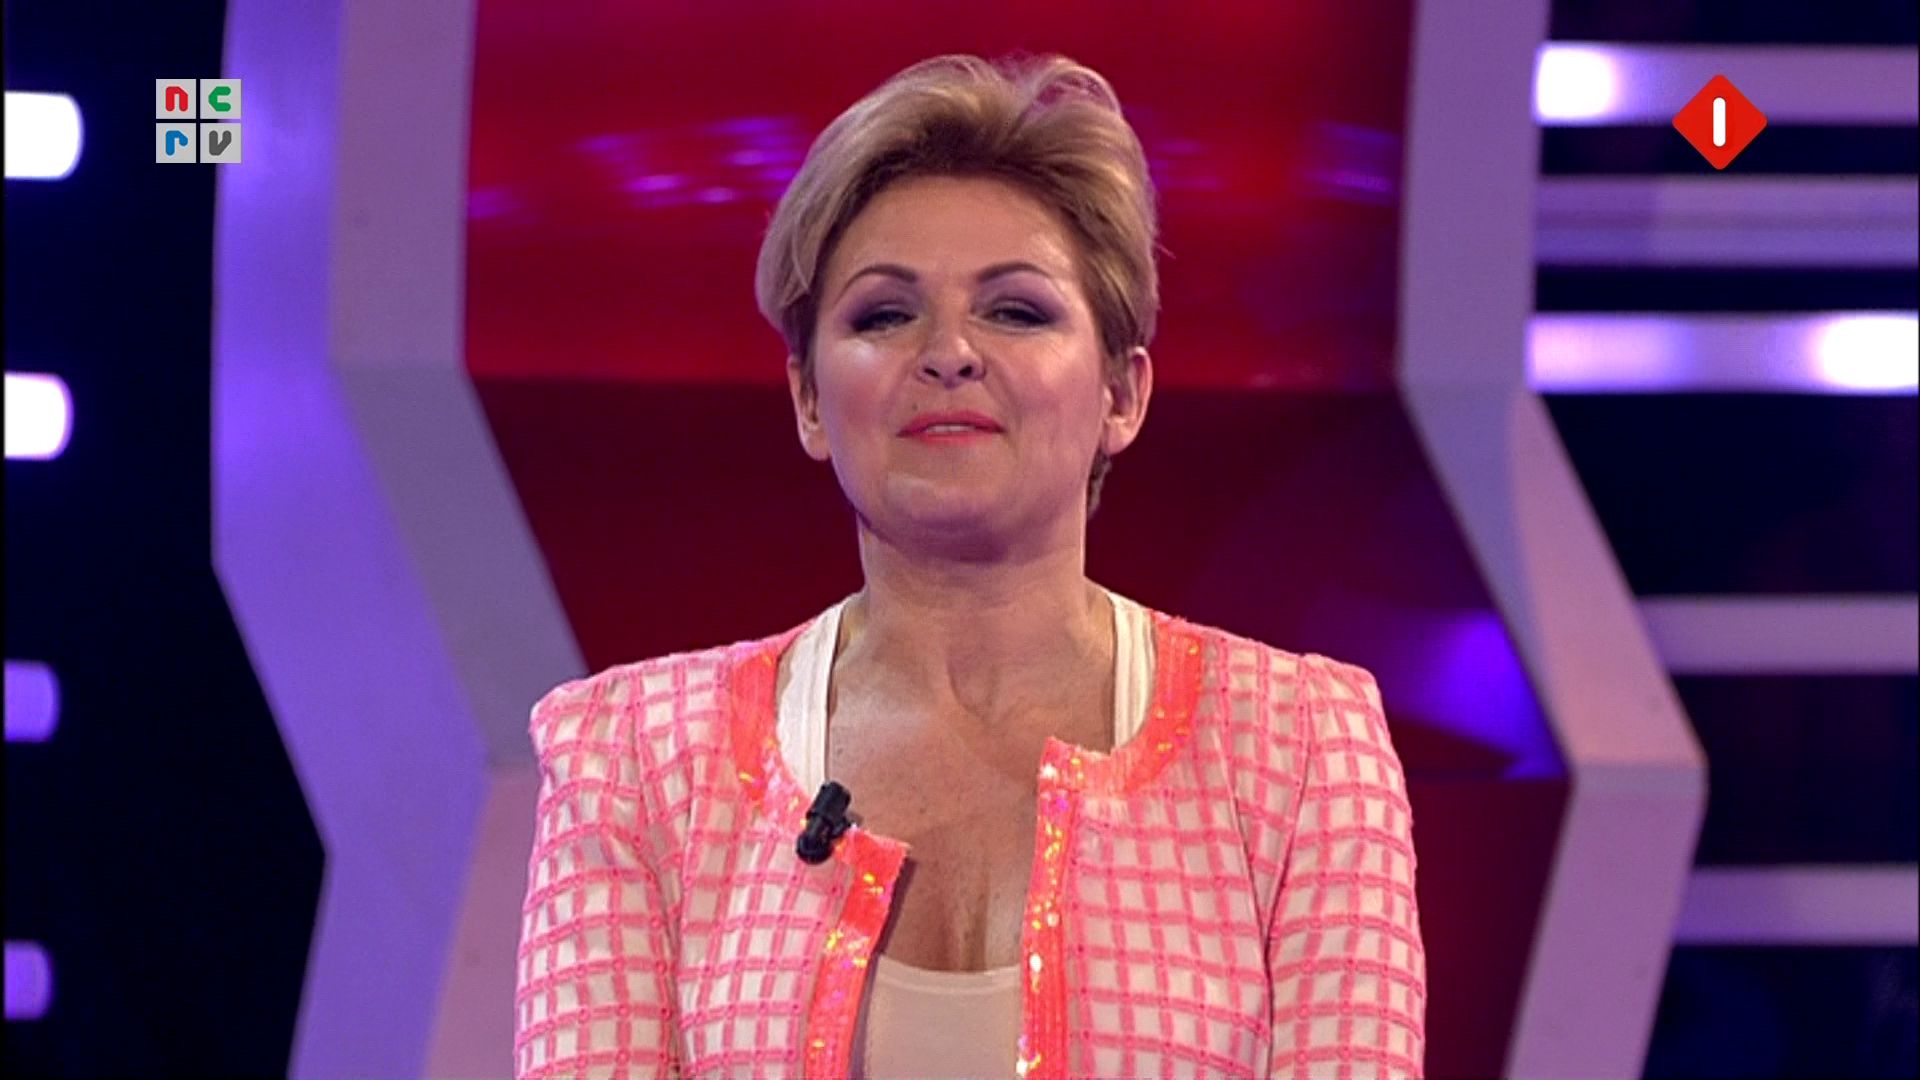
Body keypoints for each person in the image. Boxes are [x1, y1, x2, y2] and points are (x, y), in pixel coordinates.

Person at [514, 52, 1425, 1079]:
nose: (948, 351)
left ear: (1122, 395)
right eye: (884, 314)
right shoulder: (634, 762)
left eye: (1016, 310)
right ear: (809, 399)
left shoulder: (1301, 751)